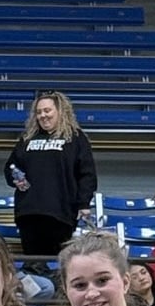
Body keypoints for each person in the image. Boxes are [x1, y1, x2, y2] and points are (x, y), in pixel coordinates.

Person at [5, 91, 97, 257]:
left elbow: (87, 174)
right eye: (39, 112)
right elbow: (10, 168)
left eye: (47, 110)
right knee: (33, 264)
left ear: (60, 111)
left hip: (61, 213)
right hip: (28, 213)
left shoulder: (76, 138)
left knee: (58, 263)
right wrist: (15, 179)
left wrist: (83, 203)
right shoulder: (27, 139)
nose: (43, 116)